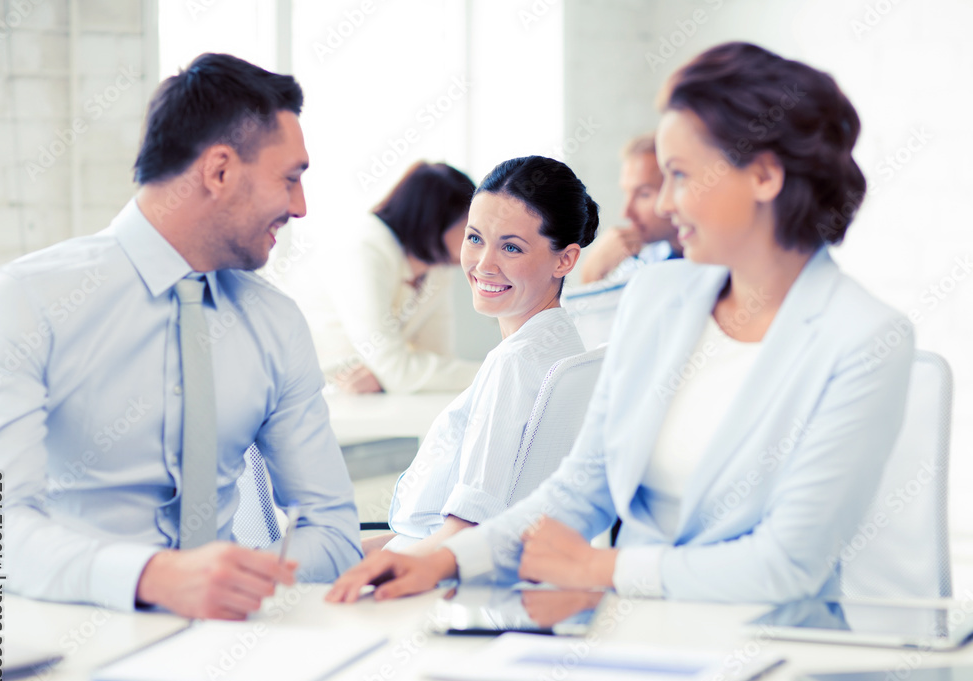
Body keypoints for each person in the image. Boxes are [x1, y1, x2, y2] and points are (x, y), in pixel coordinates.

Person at [326, 41, 915, 605]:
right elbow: (582, 486)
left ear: (764, 176)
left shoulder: (861, 338)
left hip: (767, 634)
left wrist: (600, 571)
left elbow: (788, 563)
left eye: (680, 175)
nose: (664, 205)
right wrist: (447, 561)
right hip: (626, 622)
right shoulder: (657, 297)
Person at [0, 53, 362, 620]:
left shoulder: (277, 323)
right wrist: (153, 578)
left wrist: (233, 581)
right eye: (290, 179)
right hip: (70, 635)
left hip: (235, 639)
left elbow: (333, 532)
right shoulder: (24, 302)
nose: (300, 208)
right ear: (219, 171)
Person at [363, 156, 596, 556]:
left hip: (442, 571)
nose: (483, 265)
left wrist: (364, 568)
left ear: (565, 259)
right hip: (451, 558)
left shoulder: (514, 363)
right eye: (474, 239)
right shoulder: (567, 348)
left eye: (511, 247)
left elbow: (463, 534)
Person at [297, 162, 482, 394]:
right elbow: (396, 371)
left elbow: (437, 361)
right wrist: (491, 373)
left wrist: (386, 375)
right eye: (470, 228)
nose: (480, 241)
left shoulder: (437, 268)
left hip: (367, 400)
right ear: (434, 220)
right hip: (322, 395)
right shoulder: (364, 249)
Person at [578, 134, 680, 285]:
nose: (626, 213)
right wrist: (593, 271)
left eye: (644, 194)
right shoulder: (645, 260)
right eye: (626, 193)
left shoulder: (713, 262)